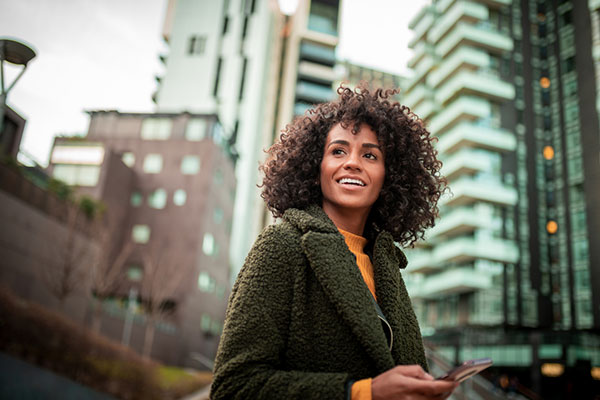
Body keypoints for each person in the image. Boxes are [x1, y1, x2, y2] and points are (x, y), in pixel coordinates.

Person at [211, 85, 457, 399]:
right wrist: (360, 393)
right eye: (338, 151)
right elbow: (233, 387)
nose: (353, 163)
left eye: (370, 154)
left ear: (389, 176)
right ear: (316, 168)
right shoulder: (282, 246)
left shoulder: (386, 265)